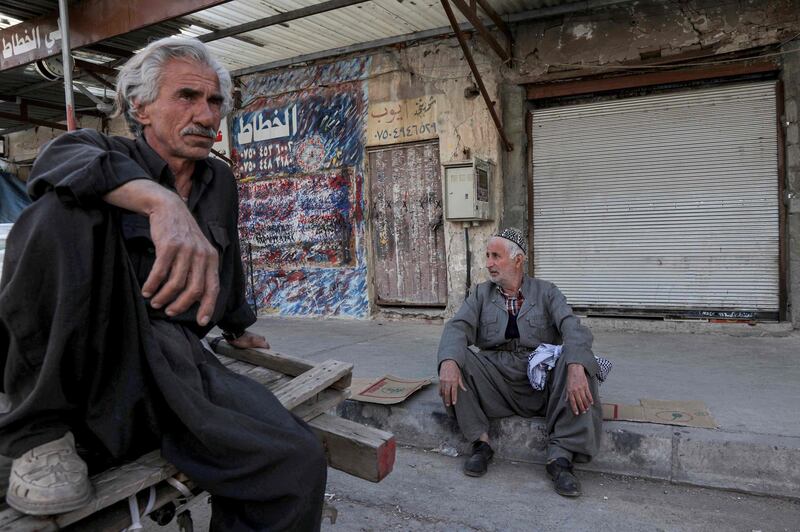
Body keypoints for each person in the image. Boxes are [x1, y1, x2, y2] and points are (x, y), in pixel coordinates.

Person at [0, 37, 326, 530]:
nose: (206, 114)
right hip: (94, 358)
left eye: (214, 101)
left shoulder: (219, 180)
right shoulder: (102, 151)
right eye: (187, 97)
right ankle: (38, 435)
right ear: (141, 107)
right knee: (56, 212)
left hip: (175, 360)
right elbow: (55, 162)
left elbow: (229, 263)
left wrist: (237, 327)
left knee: (296, 461)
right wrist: (161, 203)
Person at [437, 228, 601, 497]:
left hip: (541, 385)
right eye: (487, 256)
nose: (488, 263)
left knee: (580, 362)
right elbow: (457, 328)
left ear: (518, 260)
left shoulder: (547, 292)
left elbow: (573, 328)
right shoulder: (480, 294)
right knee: (455, 358)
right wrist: (448, 362)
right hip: (497, 381)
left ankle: (560, 459)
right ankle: (481, 443)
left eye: (495, 256)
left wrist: (575, 366)